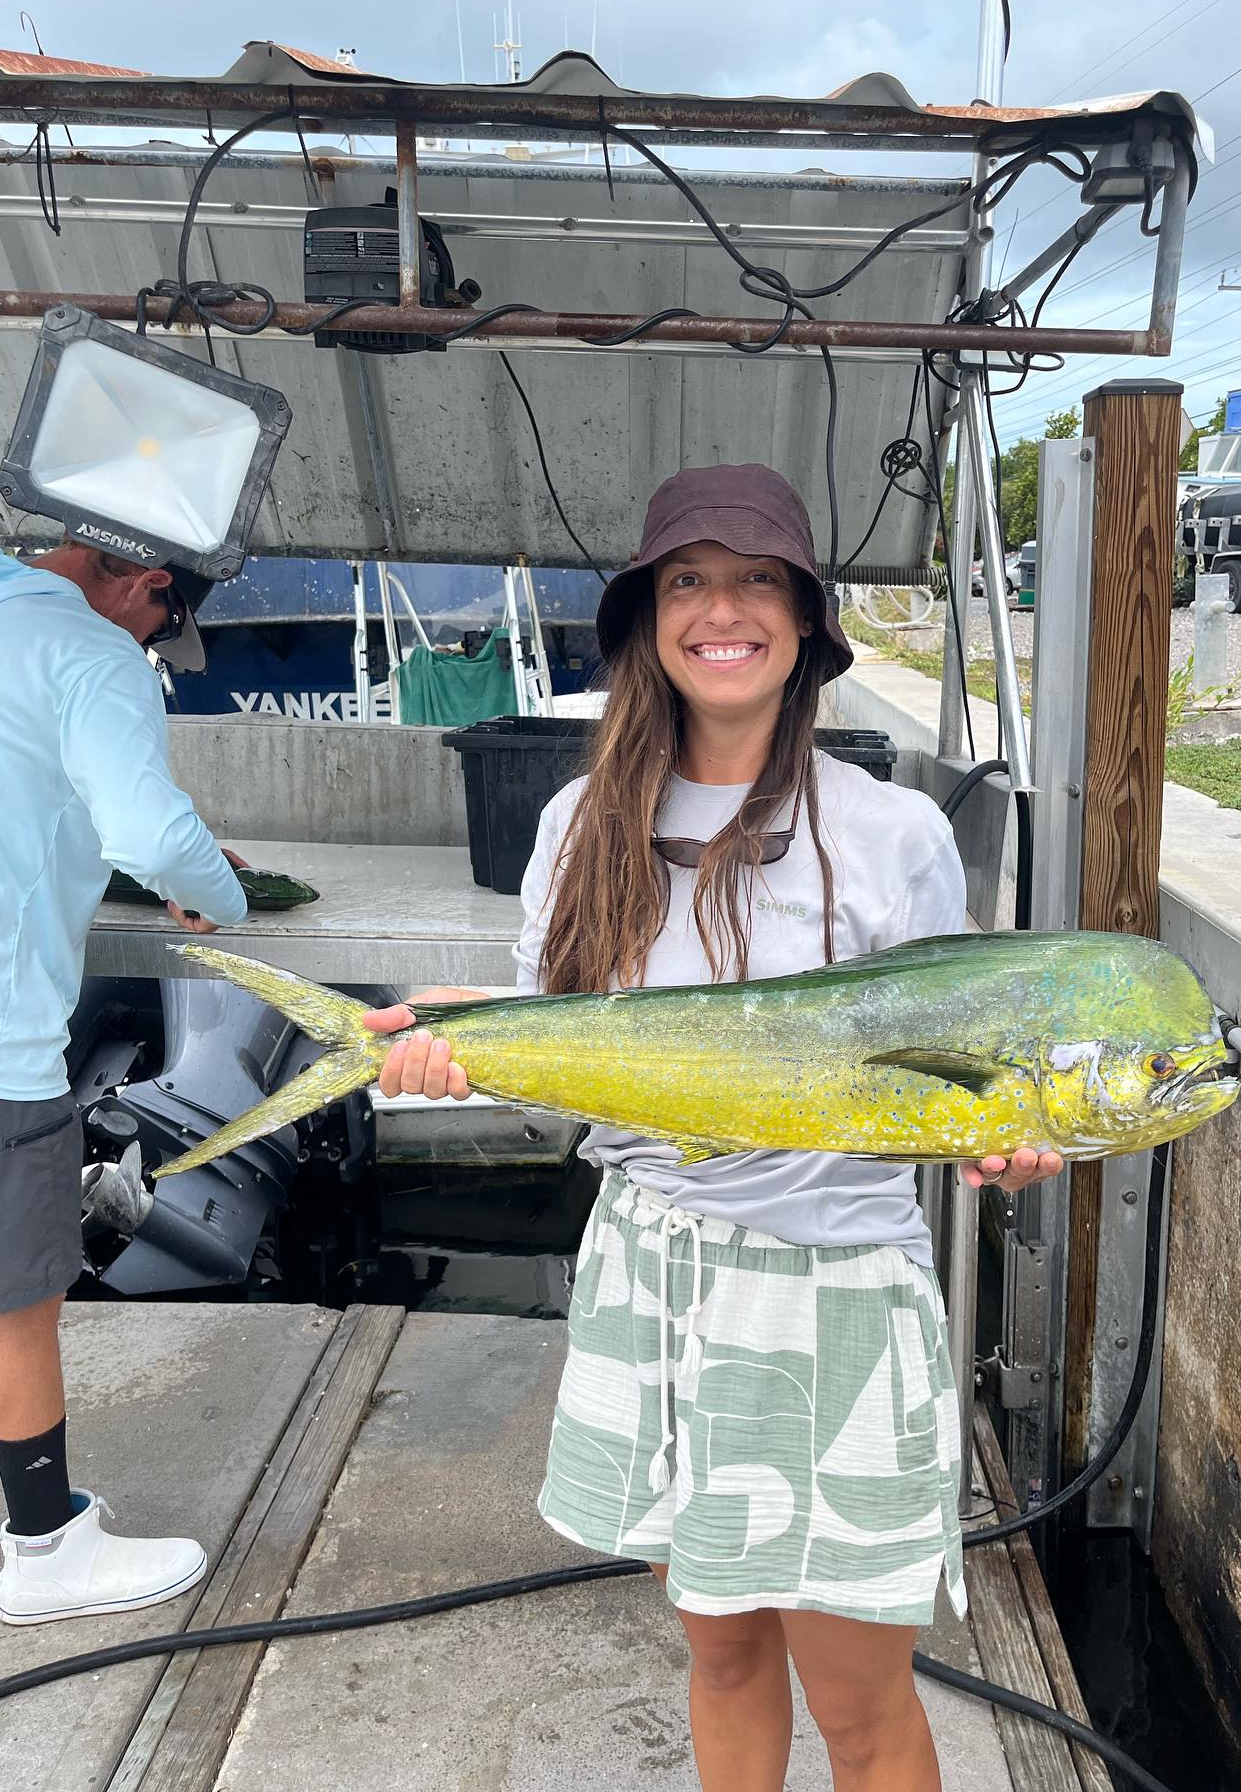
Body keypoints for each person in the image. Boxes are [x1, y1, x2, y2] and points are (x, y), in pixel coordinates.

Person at [365, 465, 1062, 1790]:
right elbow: (575, 1054)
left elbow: (958, 1072)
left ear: (804, 621)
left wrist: (1003, 1140)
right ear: (645, 620)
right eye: (688, 580)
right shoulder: (580, 823)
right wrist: (478, 1039)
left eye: (756, 580)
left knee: (859, 1708)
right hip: (655, 1274)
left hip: (837, 1296)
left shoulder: (896, 832)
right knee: (724, 1658)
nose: (722, 610)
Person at [0, 539, 247, 1626]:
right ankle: (46, 1547)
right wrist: (219, 893)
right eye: (162, 629)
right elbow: (150, 830)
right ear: (149, 590)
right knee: (17, 1307)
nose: (150, 647)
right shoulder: (92, 654)